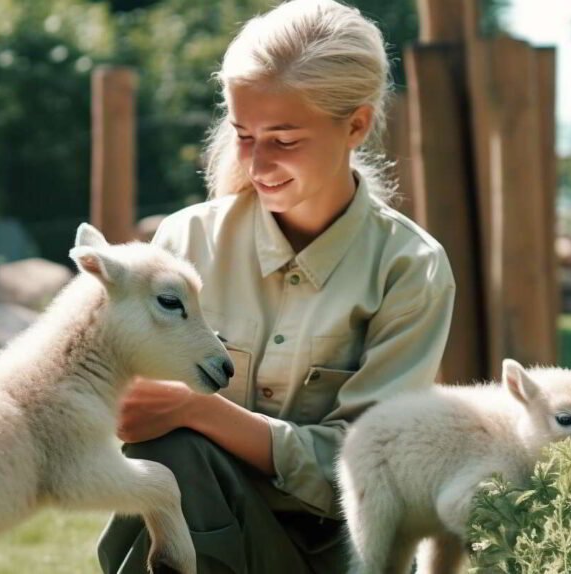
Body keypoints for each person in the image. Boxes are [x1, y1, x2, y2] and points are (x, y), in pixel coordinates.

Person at [96, 1, 456, 572]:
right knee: (170, 454)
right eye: (244, 135)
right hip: (202, 527)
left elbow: (377, 471)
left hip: (346, 552)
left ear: (356, 126)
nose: (258, 165)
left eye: (284, 141)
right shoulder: (185, 242)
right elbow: (129, 414)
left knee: (183, 441)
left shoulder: (411, 268)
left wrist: (201, 410)